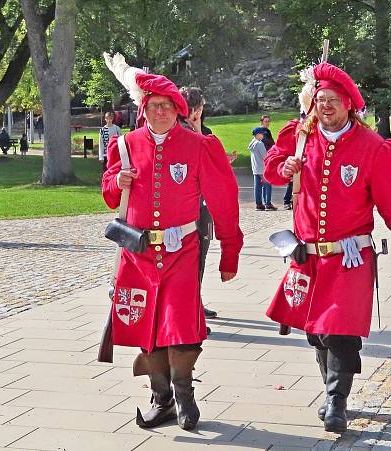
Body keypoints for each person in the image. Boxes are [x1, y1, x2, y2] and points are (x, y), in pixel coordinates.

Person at [263, 62, 391, 434]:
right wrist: (282, 168)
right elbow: (271, 169)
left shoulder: (374, 148)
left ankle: (337, 400)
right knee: (316, 331)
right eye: (320, 101)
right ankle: (330, 390)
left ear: (350, 104)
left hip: (350, 255)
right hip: (307, 255)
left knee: (340, 330)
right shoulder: (300, 135)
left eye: (334, 100)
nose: (326, 107)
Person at [102, 53, 243, 431]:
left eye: (167, 105)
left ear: (178, 110)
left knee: (181, 324)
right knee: (145, 325)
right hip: (137, 254)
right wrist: (118, 183)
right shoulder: (126, 145)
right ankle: (160, 397)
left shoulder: (199, 146)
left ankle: (184, 395)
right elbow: (110, 193)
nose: (160, 112)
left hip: (182, 252)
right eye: (153, 106)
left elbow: (224, 200)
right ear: (142, 109)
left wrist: (230, 249)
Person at [179, 86, 233, 322]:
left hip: (203, 207)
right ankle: (189, 313)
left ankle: (194, 305)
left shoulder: (205, 131)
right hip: (185, 210)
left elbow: (212, 158)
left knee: (198, 260)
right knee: (186, 263)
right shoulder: (178, 132)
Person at [249, 127, 275, 211]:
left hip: (255, 168)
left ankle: (259, 204)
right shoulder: (259, 144)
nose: (263, 135)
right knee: (268, 185)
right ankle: (268, 203)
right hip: (263, 168)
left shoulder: (252, 143)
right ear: (257, 135)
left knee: (257, 186)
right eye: (262, 134)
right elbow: (265, 157)